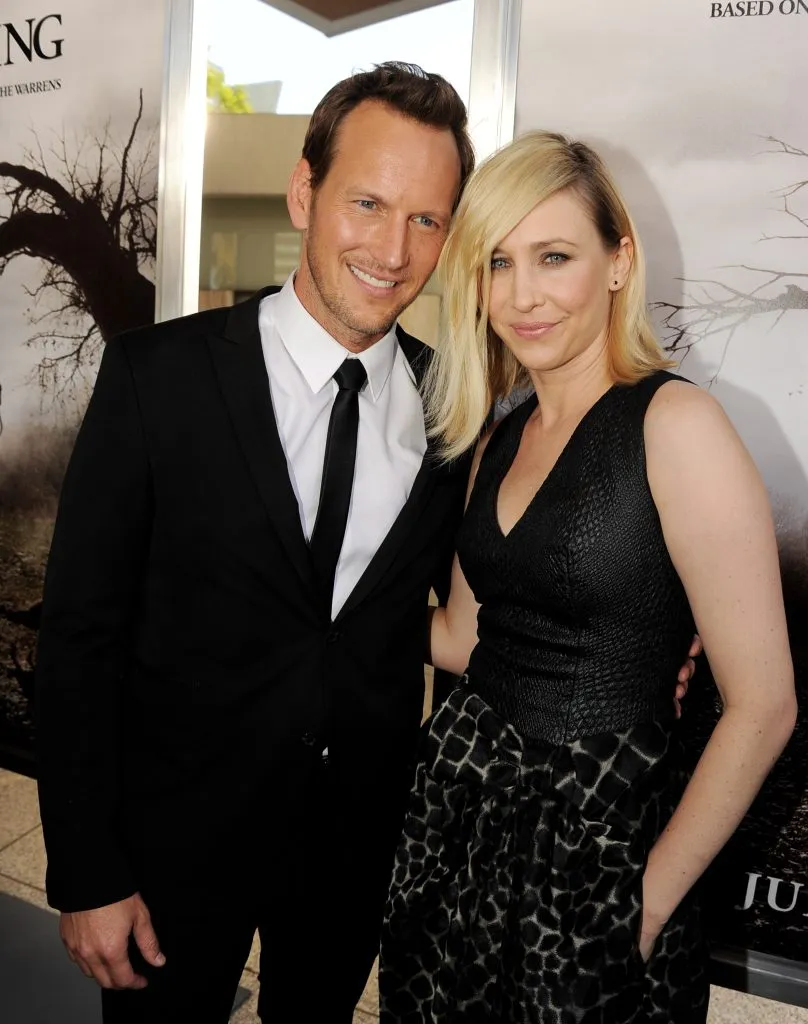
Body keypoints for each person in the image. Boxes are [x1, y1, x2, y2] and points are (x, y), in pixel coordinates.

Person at [35, 63, 696, 1022]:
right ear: (306, 195)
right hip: (169, 856)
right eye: (368, 203)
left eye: (428, 219)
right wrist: (87, 869)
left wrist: (646, 637)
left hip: (359, 861)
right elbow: (79, 638)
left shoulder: (455, 415)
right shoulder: (156, 378)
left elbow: (469, 616)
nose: (394, 248)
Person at [379, 131, 797, 1023]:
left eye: (554, 257)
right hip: (460, 826)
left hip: (599, 849)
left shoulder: (678, 425)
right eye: (496, 262)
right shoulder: (498, 434)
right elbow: (460, 637)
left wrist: (645, 905)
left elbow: (765, 705)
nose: (520, 296)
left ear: (619, 262)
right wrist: (320, 609)